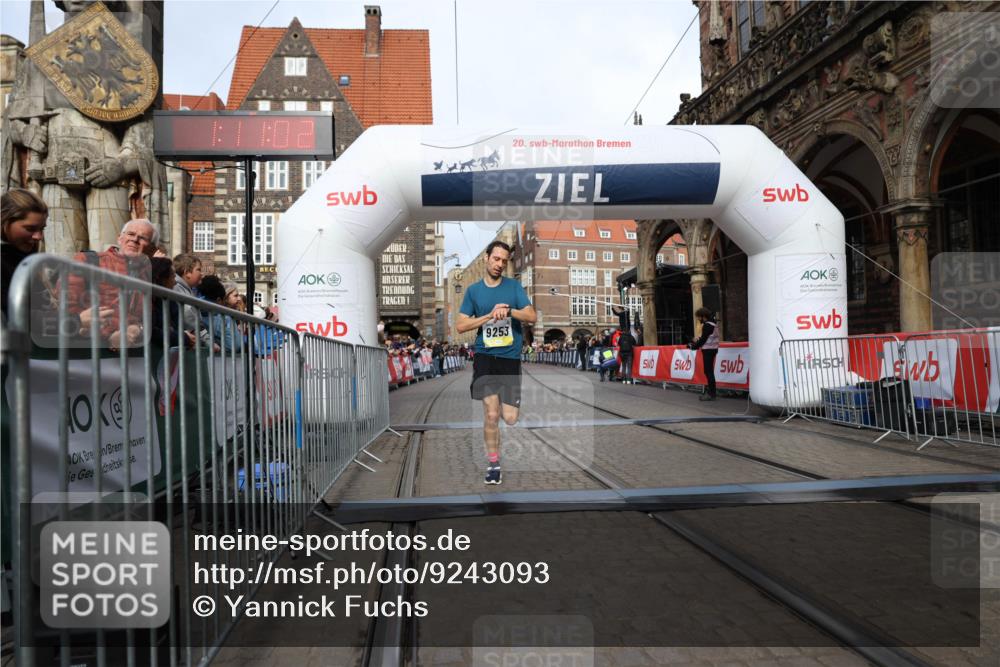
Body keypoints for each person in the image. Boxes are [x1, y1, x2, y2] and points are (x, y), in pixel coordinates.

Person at [456, 241, 536, 485]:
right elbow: (461, 326)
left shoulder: (513, 288)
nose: (500, 264)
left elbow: (531, 317)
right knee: (491, 414)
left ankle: (502, 413)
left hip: (510, 359)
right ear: (486, 259)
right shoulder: (473, 291)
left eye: (504, 261)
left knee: (509, 418)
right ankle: (493, 464)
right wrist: (489, 315)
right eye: (496, 259)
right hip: (485, 358)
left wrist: (509, 311)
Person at [65, 219, 156, 349]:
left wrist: (134, 330)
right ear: (119, 238)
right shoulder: (88, 260)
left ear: (151, 247)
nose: (135, 239)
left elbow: (145, 318)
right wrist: (110, 334)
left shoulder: (145, 274)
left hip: (130, 357)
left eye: (142, 238)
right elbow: (68, 306)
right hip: (88, 351)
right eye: (130, 234)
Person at [1, 188, 47, 318]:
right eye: (30, 229)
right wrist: (75, 321)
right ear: (5, 221)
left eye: (41, 229)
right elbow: (15, 315)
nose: (38, 236)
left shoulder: (25, 258)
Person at [688, 307, 720, 401]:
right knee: (709, 371)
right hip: (713, 349)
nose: (698, 319)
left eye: (699, 317)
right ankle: (711, 392)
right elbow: (706, 338)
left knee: (708, 372)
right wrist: (696, 342)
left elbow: (703, 339)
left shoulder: (707, 325)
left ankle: (711, 394)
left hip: (708, 350)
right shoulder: (713, 324)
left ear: (703, 316)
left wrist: (693, 346)